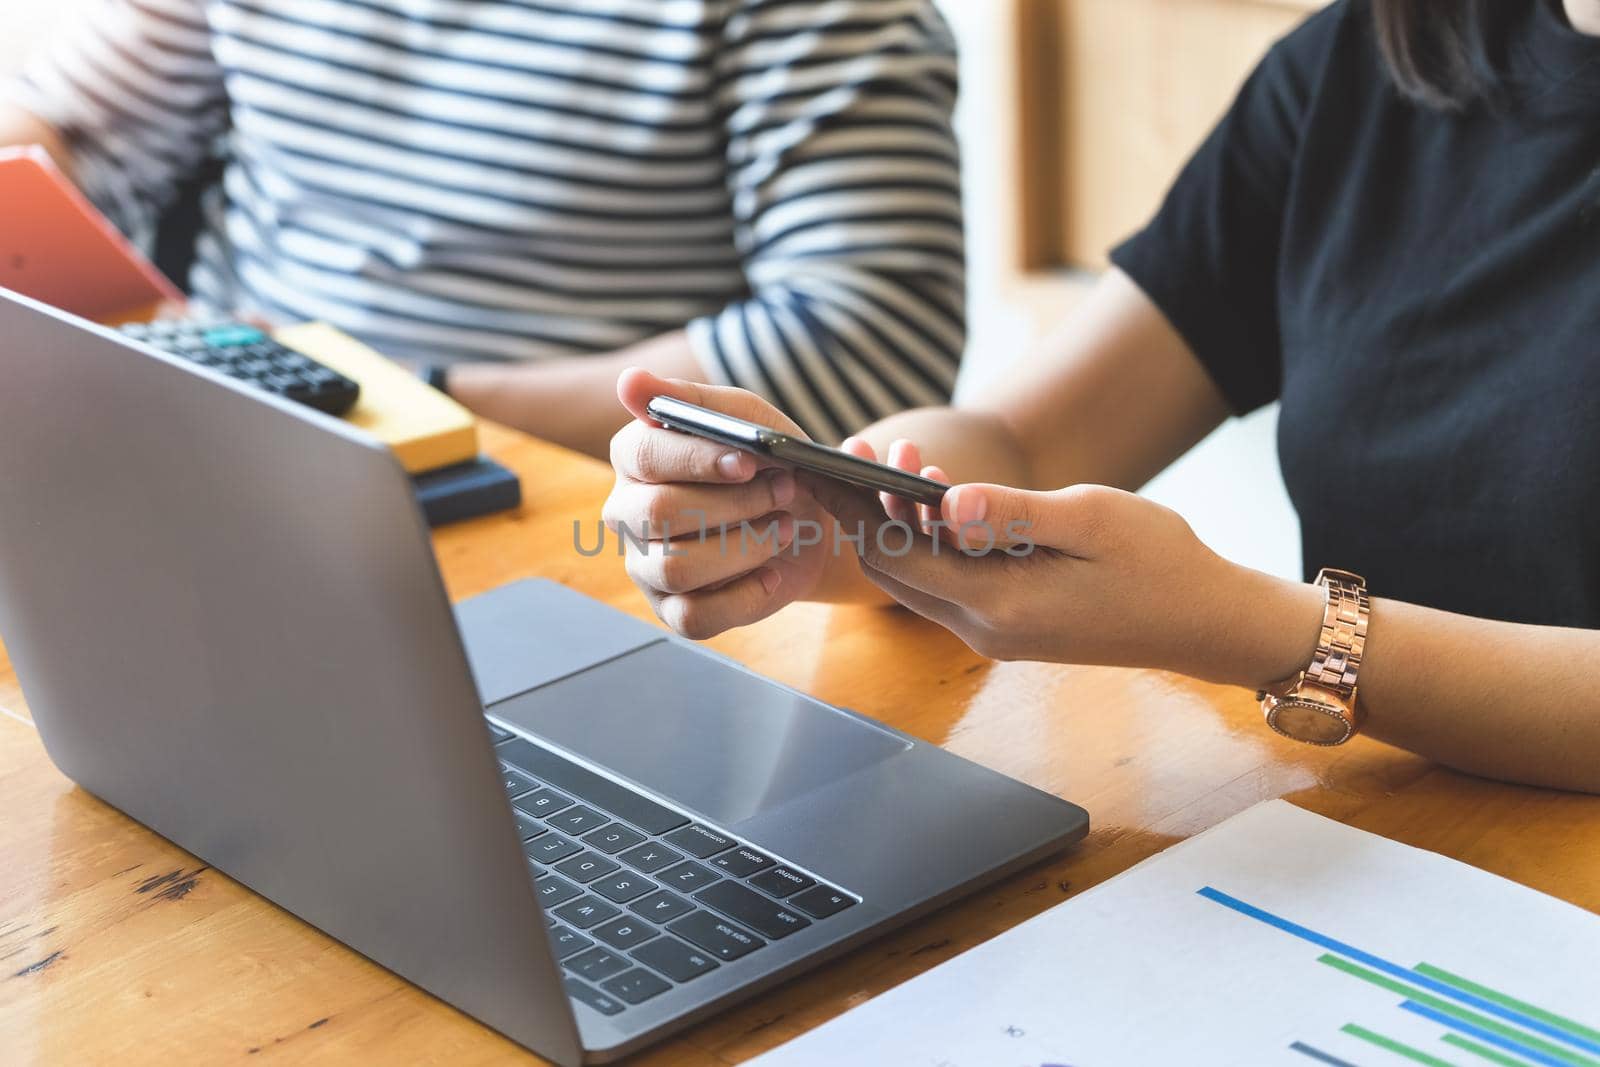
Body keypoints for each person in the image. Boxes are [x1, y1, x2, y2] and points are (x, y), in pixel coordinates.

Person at [605, 0, 1600, 794]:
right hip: (1379, 824)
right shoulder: (1367, 59)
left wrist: (1242, 626)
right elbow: (1024, 439)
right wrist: (819, 507)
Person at [0, 0, 965, 455]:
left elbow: (871, 345)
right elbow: (66, 139)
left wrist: (393, 407)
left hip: (568, 496)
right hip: (212, 428)